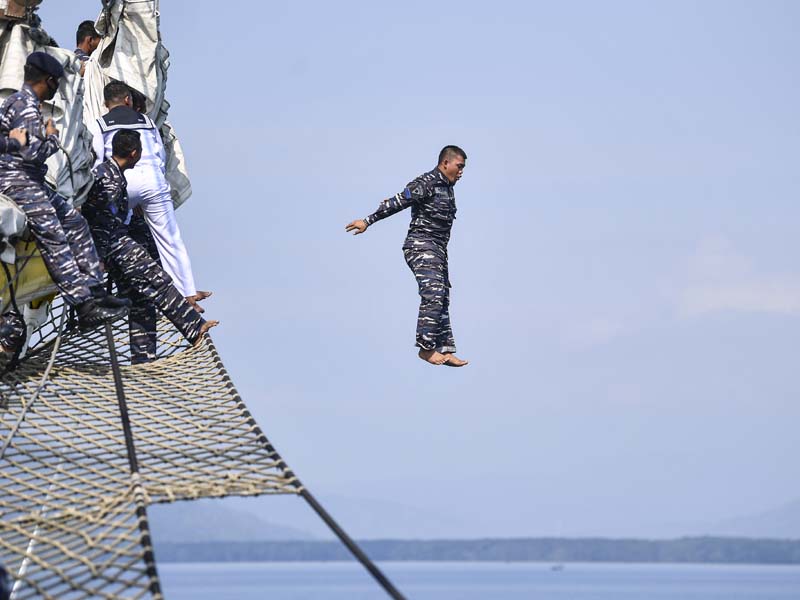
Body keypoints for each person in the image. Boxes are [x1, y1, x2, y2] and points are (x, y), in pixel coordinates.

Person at [0, 52, 128, 330]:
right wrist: (53, 138)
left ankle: (95, 291)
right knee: (54, 235)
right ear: (47, 80)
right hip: (18, 180)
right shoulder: (24, 106)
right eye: (56, 83)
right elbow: (32, 153)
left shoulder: (25, 104)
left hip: (31, 180)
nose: (57, 88)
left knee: (75, 222)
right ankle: (83, 305)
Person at [83, 130, 218, 363]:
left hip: (114, 243)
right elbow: (101, 223)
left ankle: (143, 356)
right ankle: (195, 328)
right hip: (117, 245)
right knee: (159, 281)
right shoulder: (111, 182)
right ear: (135, 153)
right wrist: (101, 258)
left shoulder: (108, 173)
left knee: (140, 298)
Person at [87, 81, 211, 312]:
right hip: (152, 180)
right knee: (170, 237)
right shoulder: (147, 122)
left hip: (120, 182)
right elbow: (160, 155)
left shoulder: (100, 124)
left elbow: (99, 158)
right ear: (128, 100)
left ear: (106, 104)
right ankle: (187, 293)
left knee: (115, 236)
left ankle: (102, 291)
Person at [346, 146, 469, 367]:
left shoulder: (448, 187)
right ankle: (426, 348)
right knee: (433, 291)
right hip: (420, 247)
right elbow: (397, 201)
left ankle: (444, 347)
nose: (461, 172)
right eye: (459, 167)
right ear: (445, 163)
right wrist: (367, 221)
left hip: (439, 250)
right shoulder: (428, 182)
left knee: (443, 296)